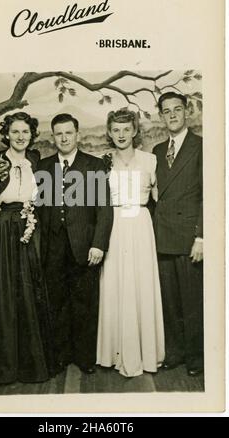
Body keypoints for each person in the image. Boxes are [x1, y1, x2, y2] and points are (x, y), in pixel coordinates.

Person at [0, 112, 55, 384]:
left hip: (31, 227)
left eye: (26, 132)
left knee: (30, 290)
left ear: (32, 135)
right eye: (16, 132)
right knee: (5, 290)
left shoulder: (35, 159)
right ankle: (5, 367)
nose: (21, 137)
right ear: (7, 134)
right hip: (4, 231)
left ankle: (31, 365)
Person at [35, 113, 113, 375]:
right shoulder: (44, 167)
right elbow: (35, 208)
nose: (64, 138)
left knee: (84, 303)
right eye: (59, 133)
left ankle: (85, 358)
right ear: (53, 136)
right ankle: (60, 356)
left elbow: (104, 208)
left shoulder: (94, 165)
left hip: (84, 245)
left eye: (69, 132)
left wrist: (99, 244)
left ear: (77, 135)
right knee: (56, 302)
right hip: (53, 247)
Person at [96, 108, 165, 377]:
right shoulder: (102, 161)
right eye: (116, 130)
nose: (121, 134)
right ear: (110, 133)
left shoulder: (150, 160)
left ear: (135, 131)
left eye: (126, 129)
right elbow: (95, 202)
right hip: (114, 226)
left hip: (141, 225)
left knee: (141, 284)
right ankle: (115, 354)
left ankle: (145, 355)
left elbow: (161, 199)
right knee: (116, 284)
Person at [153, 92, 203, 376]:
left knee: (192, 301)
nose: (172, 115)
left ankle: (196, 358)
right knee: (169, 301)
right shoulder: (158, 151)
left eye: (177, 109)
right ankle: (175, 352)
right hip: (163, 237)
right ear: (161, 116)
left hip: (189, 238)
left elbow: (209, 196)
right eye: (166, 111)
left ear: (187, 112)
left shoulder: (201, 146)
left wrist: (201, 236)